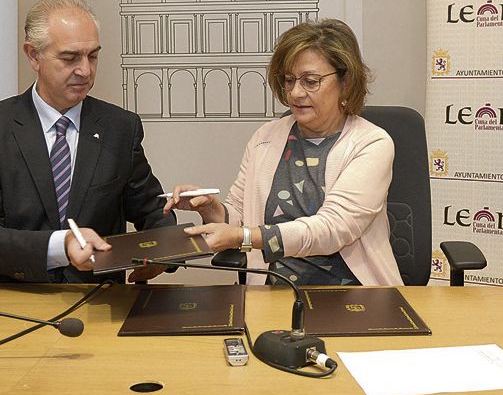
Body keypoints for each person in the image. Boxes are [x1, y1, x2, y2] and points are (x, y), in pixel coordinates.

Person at [165, 19, 402, 286]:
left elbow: (332, 229)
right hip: (273, 292)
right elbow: (241, 218)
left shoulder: (371, 143)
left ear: (345, 82)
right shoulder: (265, 137)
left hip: (351, 297)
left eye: (310, 81)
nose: (296, 93)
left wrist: (244, 237)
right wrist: (211, 208)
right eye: (289, 80)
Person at [0, 0, 173, 283]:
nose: (85, 70)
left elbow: (151, 209)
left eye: (93, 56)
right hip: (12, 296)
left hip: (97, 298)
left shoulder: (119, 127)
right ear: (33, 55)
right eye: (70, 58)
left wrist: (164, 252)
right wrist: (63, 245)